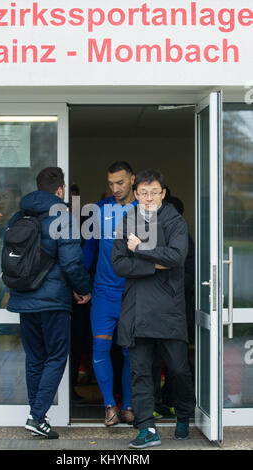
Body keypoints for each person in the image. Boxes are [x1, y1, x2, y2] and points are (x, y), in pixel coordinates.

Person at [111, 169, 196, 448]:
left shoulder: (174, 220)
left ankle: (183, 415)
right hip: (136, 309)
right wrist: (154, 264)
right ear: (136, 194)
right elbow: (119, 264)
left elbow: (176, 256)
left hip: (169, 309)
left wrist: (141, 250)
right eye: (143, 192)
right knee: (140, 372)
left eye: (154, 192)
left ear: (163, 194)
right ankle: (147, 427)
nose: (148, 197)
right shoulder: (128, 220)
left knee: (178, 370)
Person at [6, 167, 92, 439]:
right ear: (59, 190)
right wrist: (83, 289)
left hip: (24, 298)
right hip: (53, 301)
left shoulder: (19, 215)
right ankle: (37, 415)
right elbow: (70, 261)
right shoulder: (62, 216)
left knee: (35, 359)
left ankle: (37, 416)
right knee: (56, 356)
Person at [83, 161, 137, 426]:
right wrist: (81, 283)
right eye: (111, 184)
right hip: (103, 292)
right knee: (100, 346)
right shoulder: (100, 209)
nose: (115, 188)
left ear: (132, 180)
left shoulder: (145, 209)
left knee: (129, 352)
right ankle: (109, 406)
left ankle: (127, 406)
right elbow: (89, 249)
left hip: (132, 294)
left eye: (120, 182)